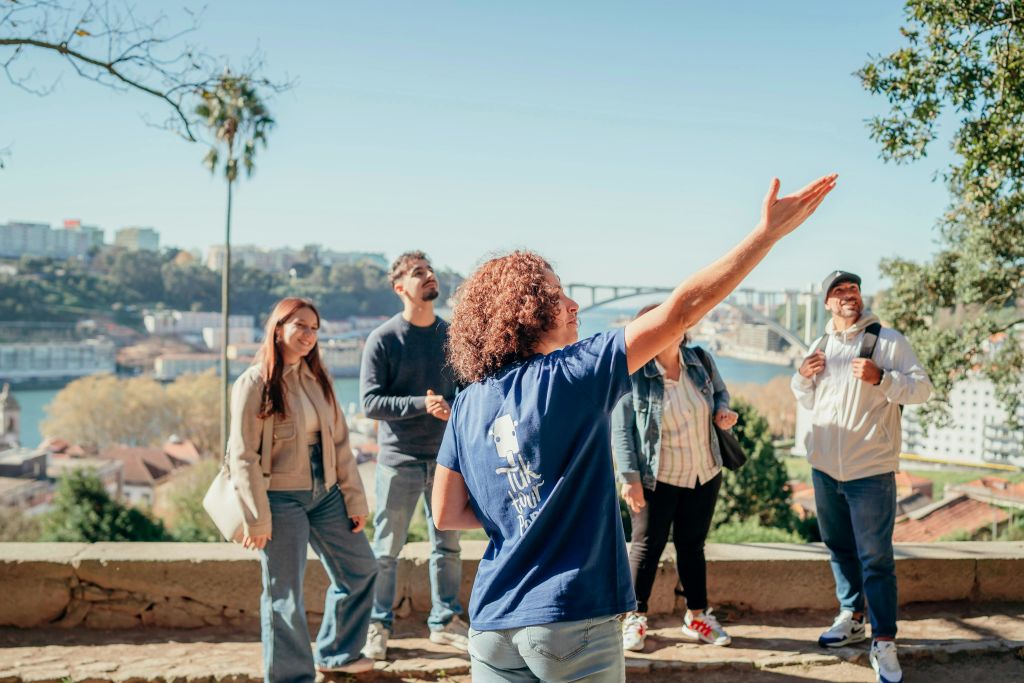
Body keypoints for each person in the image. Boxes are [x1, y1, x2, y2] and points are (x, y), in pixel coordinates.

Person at [432, 174, 837, 682]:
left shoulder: (467, 402)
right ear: (526, 311)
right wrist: (766, 235)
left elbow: (447, 513)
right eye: (559, 296)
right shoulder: (575, 372)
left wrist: (524, 514)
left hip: (491, 625)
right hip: (572, 614)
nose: (574, 306)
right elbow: (681, 309)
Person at [791, 270, 932, 683]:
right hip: (825, 469)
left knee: (876, 559)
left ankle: (884, 641)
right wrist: (801, 376)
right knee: (838, 547)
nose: (848, 295)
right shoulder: (819, 345)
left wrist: (882, 379)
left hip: (870, 470)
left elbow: (923, 389)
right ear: (828, 303)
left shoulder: (888, 341)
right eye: (839, 291)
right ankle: (851, 617)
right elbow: (804, 397)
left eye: (853, 289)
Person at [228, 297, 377, 681]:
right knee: (284, 595)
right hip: (279, 499)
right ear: (278, 328)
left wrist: (353, 499)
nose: (309, 335)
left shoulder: (319, 379)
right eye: (301, 326)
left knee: (361, 569)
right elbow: (241, 455)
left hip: (326, 493)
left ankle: (337, 652)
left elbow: (342, 444)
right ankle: (290, 678)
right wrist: (256, 519)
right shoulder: (254, 382)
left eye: (314, 328)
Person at [612, 305, 738, 652]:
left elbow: (721, 394)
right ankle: (635, 617)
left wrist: (722, 411)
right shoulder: (634, 373)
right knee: (645, 548)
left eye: (677, 323)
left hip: (703, 472)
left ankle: (697, 615)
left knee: (692, 547)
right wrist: (630, 478)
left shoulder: (700, 361)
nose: (673, 329)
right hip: (657, 478)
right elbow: (621, 430)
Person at [360, 251, 466, 659]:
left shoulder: (451, 336)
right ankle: (377, 625)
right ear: (399, 287)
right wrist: (422, 405)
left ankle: (445, 622)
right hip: (398, 460)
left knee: (448, 547)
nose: (429, 277)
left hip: (446, 461)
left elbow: (467, 393)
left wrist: (451, 407)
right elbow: (370, 403)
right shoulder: (383, 339)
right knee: (386, 549)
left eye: (431, 271)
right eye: (418, 273)